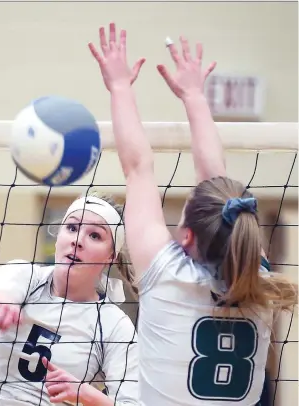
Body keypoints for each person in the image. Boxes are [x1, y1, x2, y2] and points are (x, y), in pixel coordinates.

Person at [88, 23, 297, 406]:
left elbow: (138, 167)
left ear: (186, 236)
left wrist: (119, 87)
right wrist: (195, 96)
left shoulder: (169, 276)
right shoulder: (259, 283)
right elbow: (205, 179)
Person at [0, 192, 139, 406]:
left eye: (94, 236)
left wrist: (84, 394)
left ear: (110, 257)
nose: (77, 241)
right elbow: (1, 286)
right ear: (58, 235)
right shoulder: (26, 278)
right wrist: (2, 300)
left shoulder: (114, 325)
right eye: (72, 228)